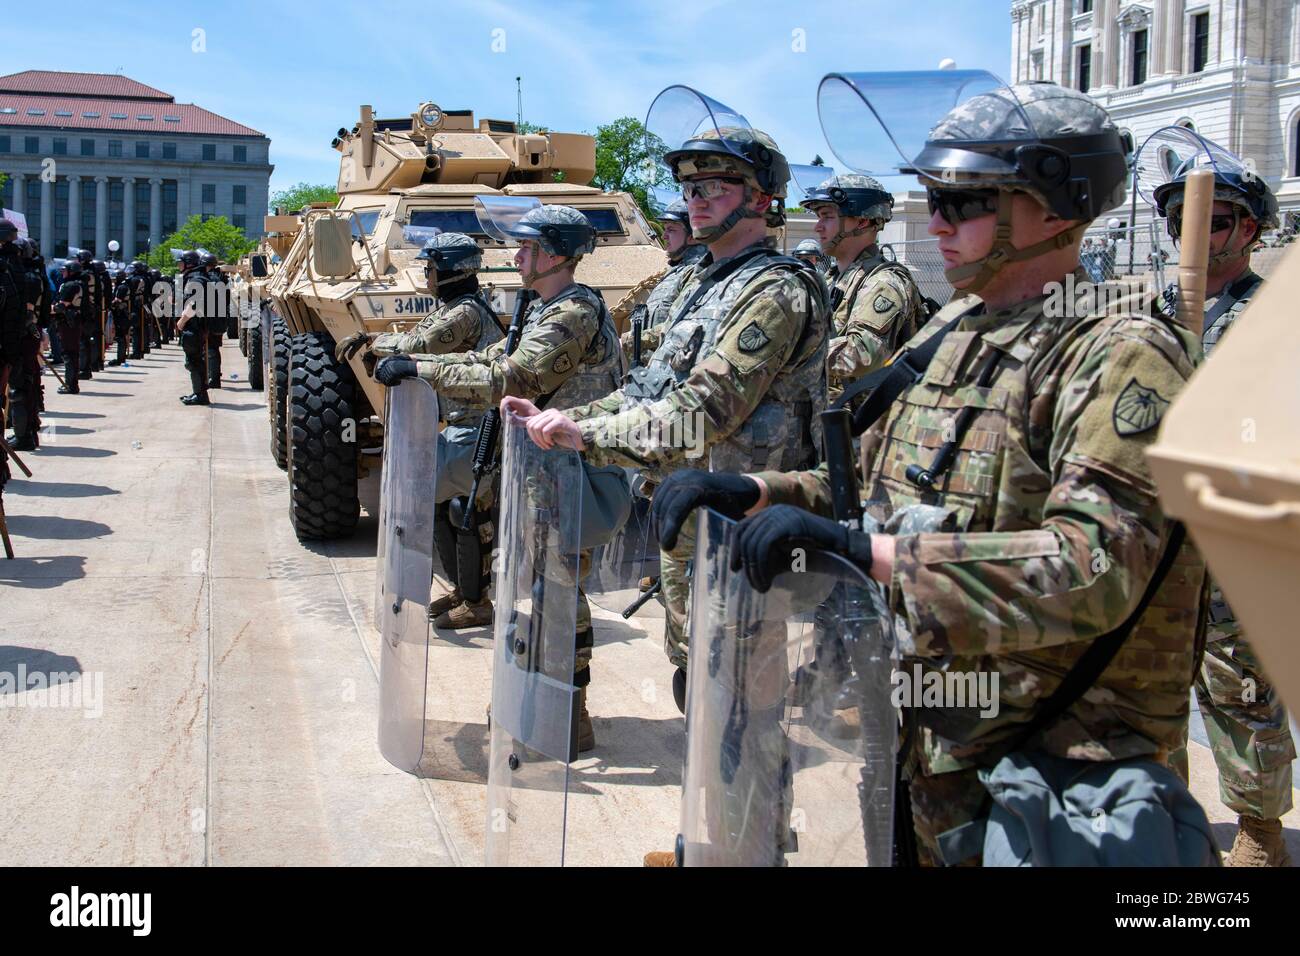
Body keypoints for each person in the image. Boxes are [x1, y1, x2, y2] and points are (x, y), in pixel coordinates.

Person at [653, 79, 1214, 866]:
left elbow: (1095, 567)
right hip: (921, 748)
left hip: (1047, 772)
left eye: (963, 203)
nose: (938, 222)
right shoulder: (957, 329)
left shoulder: (1122, 353)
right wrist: (759, 493)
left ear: (1057, 211)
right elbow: (871, 490)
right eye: (935, 199)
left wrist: (871, 556)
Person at [505, 103, 828, 738]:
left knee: (743, 706)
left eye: (716, 185)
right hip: (688, 517)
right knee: (697, 681)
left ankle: (756, 805)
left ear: (762, 198)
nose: (696, 199)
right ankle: (712, 806)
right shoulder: (698, 284)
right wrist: (562, 415)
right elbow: (647, 388)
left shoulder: (776, 289)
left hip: (747, 524)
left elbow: (702, 413)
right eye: (689, 186)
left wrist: (585, 435)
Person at [373, 203, 623, 751]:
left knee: (558, 590)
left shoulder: (573, 312)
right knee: (538, 585)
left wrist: (420, 367)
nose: (517, 256)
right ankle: (539, 696)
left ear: (556, 253)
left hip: (571, 473)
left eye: (527, 247)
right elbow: (490, 357)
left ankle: (566, 710)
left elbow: (513, 377)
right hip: (544, 470)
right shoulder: (544, 308)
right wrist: (401, 354)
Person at [1153, 139, 1294, 867]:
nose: (1190, 232)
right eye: (1177, 218)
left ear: (1248, 230)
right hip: (1158, 533)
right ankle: (1171, 812)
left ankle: (1259, 829)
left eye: (1208, 218)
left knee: (1240, 686)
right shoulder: (1154, 311)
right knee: (1152, 681)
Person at [334, 232, 503, 621]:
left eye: (430, 268)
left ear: (449, 270)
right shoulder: (454, 307)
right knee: (446, 505)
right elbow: (415, 336)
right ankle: (466, 593)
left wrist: (373, 343)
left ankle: (477, 603)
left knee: (460, 509)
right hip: (460, 426)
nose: (426, 275)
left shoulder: (464, 313)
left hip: (477, 427)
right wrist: (372, 338)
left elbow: (420, 346)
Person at [803, 173, 925, 397]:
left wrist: (791, 353)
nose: (817, 227)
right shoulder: (831, 279)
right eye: (818, 217)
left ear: (862, 221)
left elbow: (864, 353)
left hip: (862, 416)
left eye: (827, 216)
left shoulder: (884, 282)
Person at [176, 251, 210, 405]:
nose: (179, 265)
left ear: (188, 263)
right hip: (198, 325)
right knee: (196, 361)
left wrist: (182, 321)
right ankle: (198, 392)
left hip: (194, 326)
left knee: (194, 361)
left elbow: (194, 304)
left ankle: (200, 395)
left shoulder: (195, 279)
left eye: (181, 263)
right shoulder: (198, 277)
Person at [52, 259, 85, 395]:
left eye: (65, 270)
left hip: (68, 323)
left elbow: (61, 306)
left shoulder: (70, 285)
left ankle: (70, 385)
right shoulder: (78, 283)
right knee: (73, 353)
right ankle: (72, 384)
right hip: (74, 322)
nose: (63, 272)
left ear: (71, 271)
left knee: (69, 353)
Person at [201, 253, 225, 388]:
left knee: (210, 349)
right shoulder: (219, 277)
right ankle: (213, 376)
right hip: (218, 317)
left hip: (212, 318)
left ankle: (213, 378)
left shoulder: (210, 279)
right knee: (213, 348)